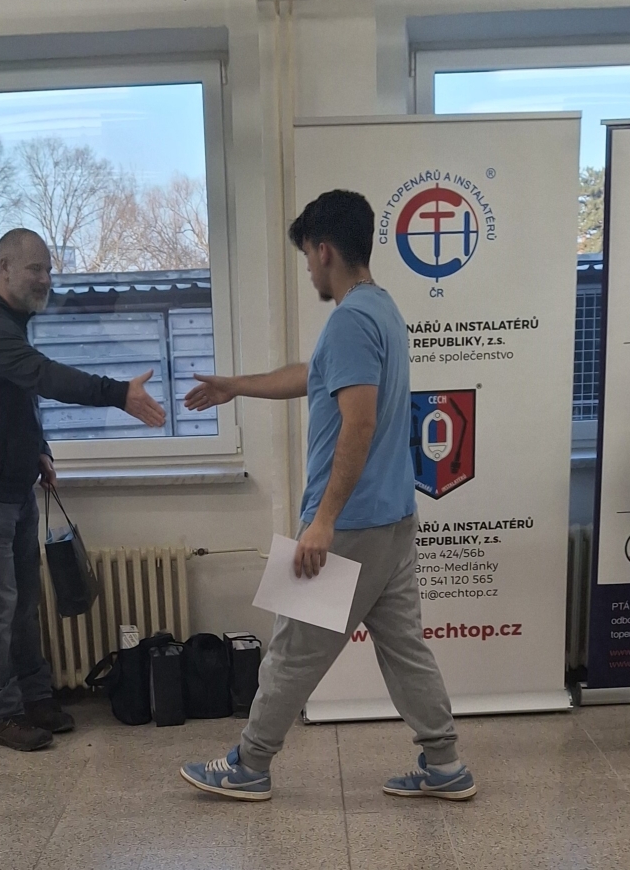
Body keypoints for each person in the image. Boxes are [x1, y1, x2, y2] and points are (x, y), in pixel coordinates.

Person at [178, 190, 475, 801]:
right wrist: (237, 385)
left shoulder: (349, 321)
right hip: (392, 519)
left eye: (308, 259)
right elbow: (317, 375)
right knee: (405, 649)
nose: (310, 272)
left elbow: (358, 423)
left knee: (292, 648)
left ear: (323, 250)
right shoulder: (379, 309)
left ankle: (250, 764)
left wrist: (323, 521)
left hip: (349, 526)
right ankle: (445, 765)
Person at [0, 227, 166, 751]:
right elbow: (43, 377)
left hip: (12, 489)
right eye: (35, 269)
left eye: (49, 270)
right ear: (4, 268)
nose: (45, 279)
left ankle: (35, 699)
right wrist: (117, 393)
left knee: (24, 605)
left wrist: (37, 449)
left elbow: (15, 399)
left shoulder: (10, 325)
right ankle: (3, 715)